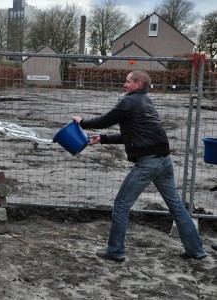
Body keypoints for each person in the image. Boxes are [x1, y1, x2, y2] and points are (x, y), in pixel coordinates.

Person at [72, 69, 207, 262]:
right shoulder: (146, 102)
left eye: (128, 81)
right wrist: (102, 139)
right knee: (177, 206)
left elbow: (105, 120)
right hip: (164, 161)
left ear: (138, 85)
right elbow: (132, 136)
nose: (125, 84)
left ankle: (115, 251)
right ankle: (196, 251)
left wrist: (82, 122)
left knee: (121, 205)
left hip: (148, 163)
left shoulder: (129, 101)